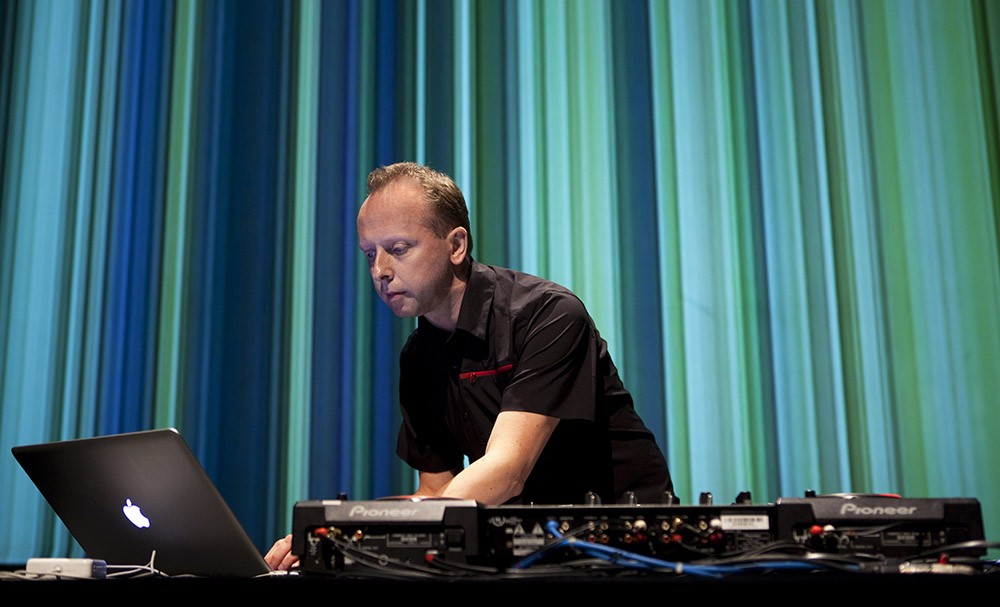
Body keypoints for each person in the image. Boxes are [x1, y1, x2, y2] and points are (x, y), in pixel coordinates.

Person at [264, 161, 673, 571]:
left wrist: (360, 535)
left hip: (630, 549)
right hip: (529, 553)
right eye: (370, 254)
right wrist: (328, 538)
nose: (380, 271)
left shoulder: (548, 314)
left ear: (456, 245)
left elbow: (507, 469)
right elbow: (438, 489)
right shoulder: (418, 355)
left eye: (399, 249)